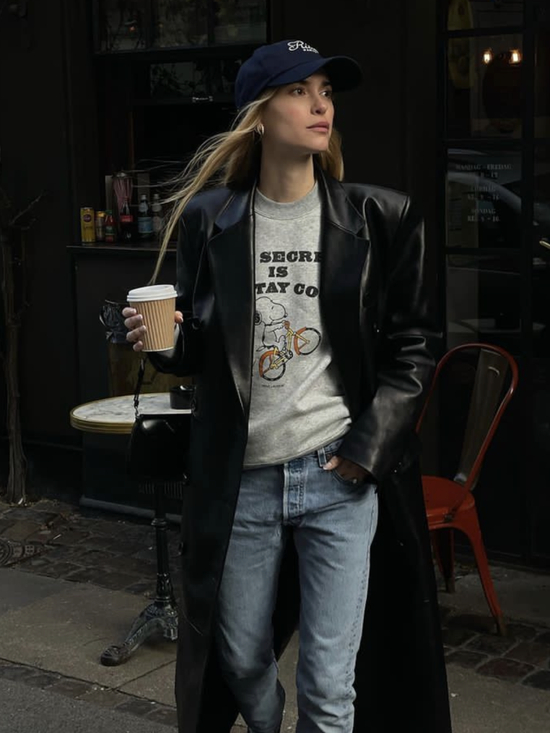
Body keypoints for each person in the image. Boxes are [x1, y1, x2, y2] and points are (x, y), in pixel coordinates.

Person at [123, 39, 452, 733]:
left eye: (325, 92)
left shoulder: (379, 217)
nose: (320, 105)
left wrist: (368, 447)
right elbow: (196, 348)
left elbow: (416, 345)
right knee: (242, 661)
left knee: (330, 689)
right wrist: (163, 339)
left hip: (339, 476)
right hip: (243, 480)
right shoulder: (210, 219)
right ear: (259, 114)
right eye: (300, 91)